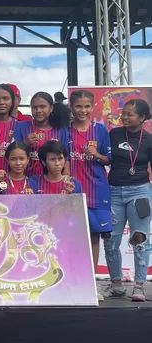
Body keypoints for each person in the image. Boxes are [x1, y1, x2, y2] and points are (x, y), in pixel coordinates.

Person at [103, 99, 152, 301]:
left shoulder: (149, 139)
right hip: (113, 192)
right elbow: (105, 158)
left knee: (139, 237)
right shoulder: (114, 134)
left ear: (142, 118)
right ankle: (116, 284)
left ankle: (139, 285)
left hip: (140, 192)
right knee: (111, 240)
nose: (124, 117)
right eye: (123, 113)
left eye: (130, 114)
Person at [68, 90, 112, 301]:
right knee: (69, 238)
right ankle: (71, 281)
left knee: (93, 237)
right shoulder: (64, 131)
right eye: (78, 106)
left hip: (96, 190)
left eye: (86, 106)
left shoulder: (100, 130)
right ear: (71, 106)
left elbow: (109, 159)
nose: (82, 111)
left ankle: (92, 283)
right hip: (71, 192)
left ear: (92, 107)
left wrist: (97, 156)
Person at [14, 92, 70, 177]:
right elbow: (13, 154)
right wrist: (25, 144)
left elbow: (66, 158)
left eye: (42, 107)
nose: (38, 111)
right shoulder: (21, 127)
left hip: (52, 181)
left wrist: (65, 178)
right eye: (34, 107)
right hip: (26, 180)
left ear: (51, 108)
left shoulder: (61, 130)